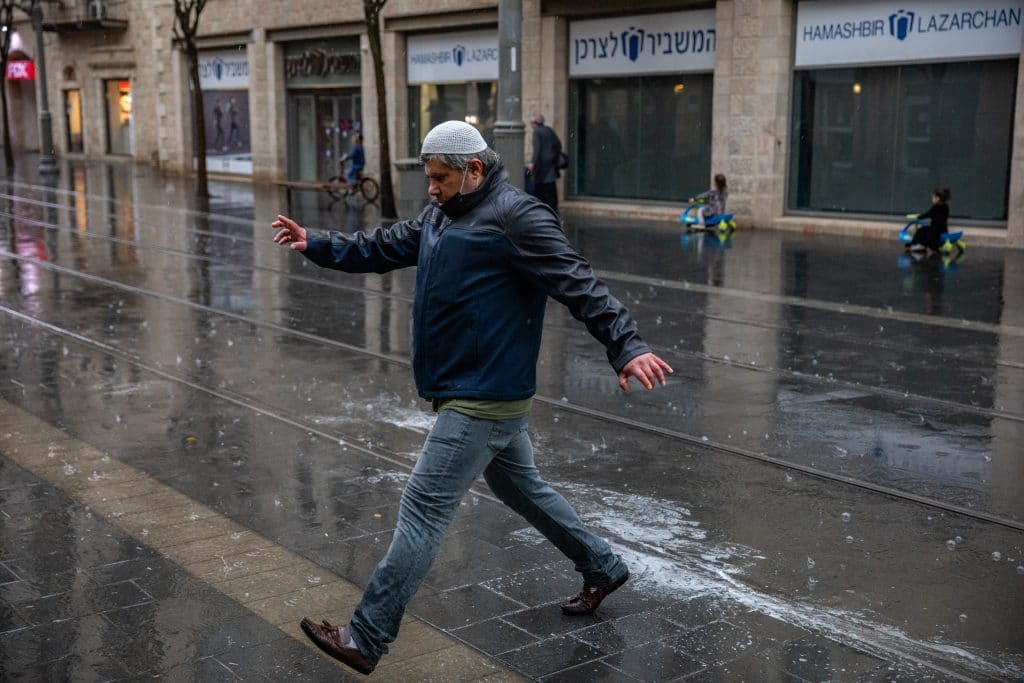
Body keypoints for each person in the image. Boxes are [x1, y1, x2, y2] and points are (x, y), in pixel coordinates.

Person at [272, 120, 673, 676]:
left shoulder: (518, 217)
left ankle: (365, 637)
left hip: (482, 397)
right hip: (480, 389)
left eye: (439, 177)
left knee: (422, 510)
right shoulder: (442, 213)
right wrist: (317, 243)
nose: (430, 188)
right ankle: (601, 566)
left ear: (474, 170)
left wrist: (625, 346)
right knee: (521, 487)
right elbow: (383, 245)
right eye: (428, 177)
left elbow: (579, 282)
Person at [526, 113, 563, 212]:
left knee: (540, 190)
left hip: (541, 166)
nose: (531, 125)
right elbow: (558, 145)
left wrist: (533, 163)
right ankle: (553, 210)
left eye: (531, 122)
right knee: (551, 189)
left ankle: (543, 211)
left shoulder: (537, 132)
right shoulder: (549, 130)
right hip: (551, 165)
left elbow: (537, 150)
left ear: (535, 123)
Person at [907, 187, 951, 254]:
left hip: (934, 231)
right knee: (925, 231)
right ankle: (924, 246)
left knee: (921, 231)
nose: (932, 199)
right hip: (942, 230)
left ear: (937, 198)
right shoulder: (946, 207)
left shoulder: (935, 207)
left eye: (933, 197)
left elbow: (927, 214)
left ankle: (919, 245)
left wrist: (918, 216)